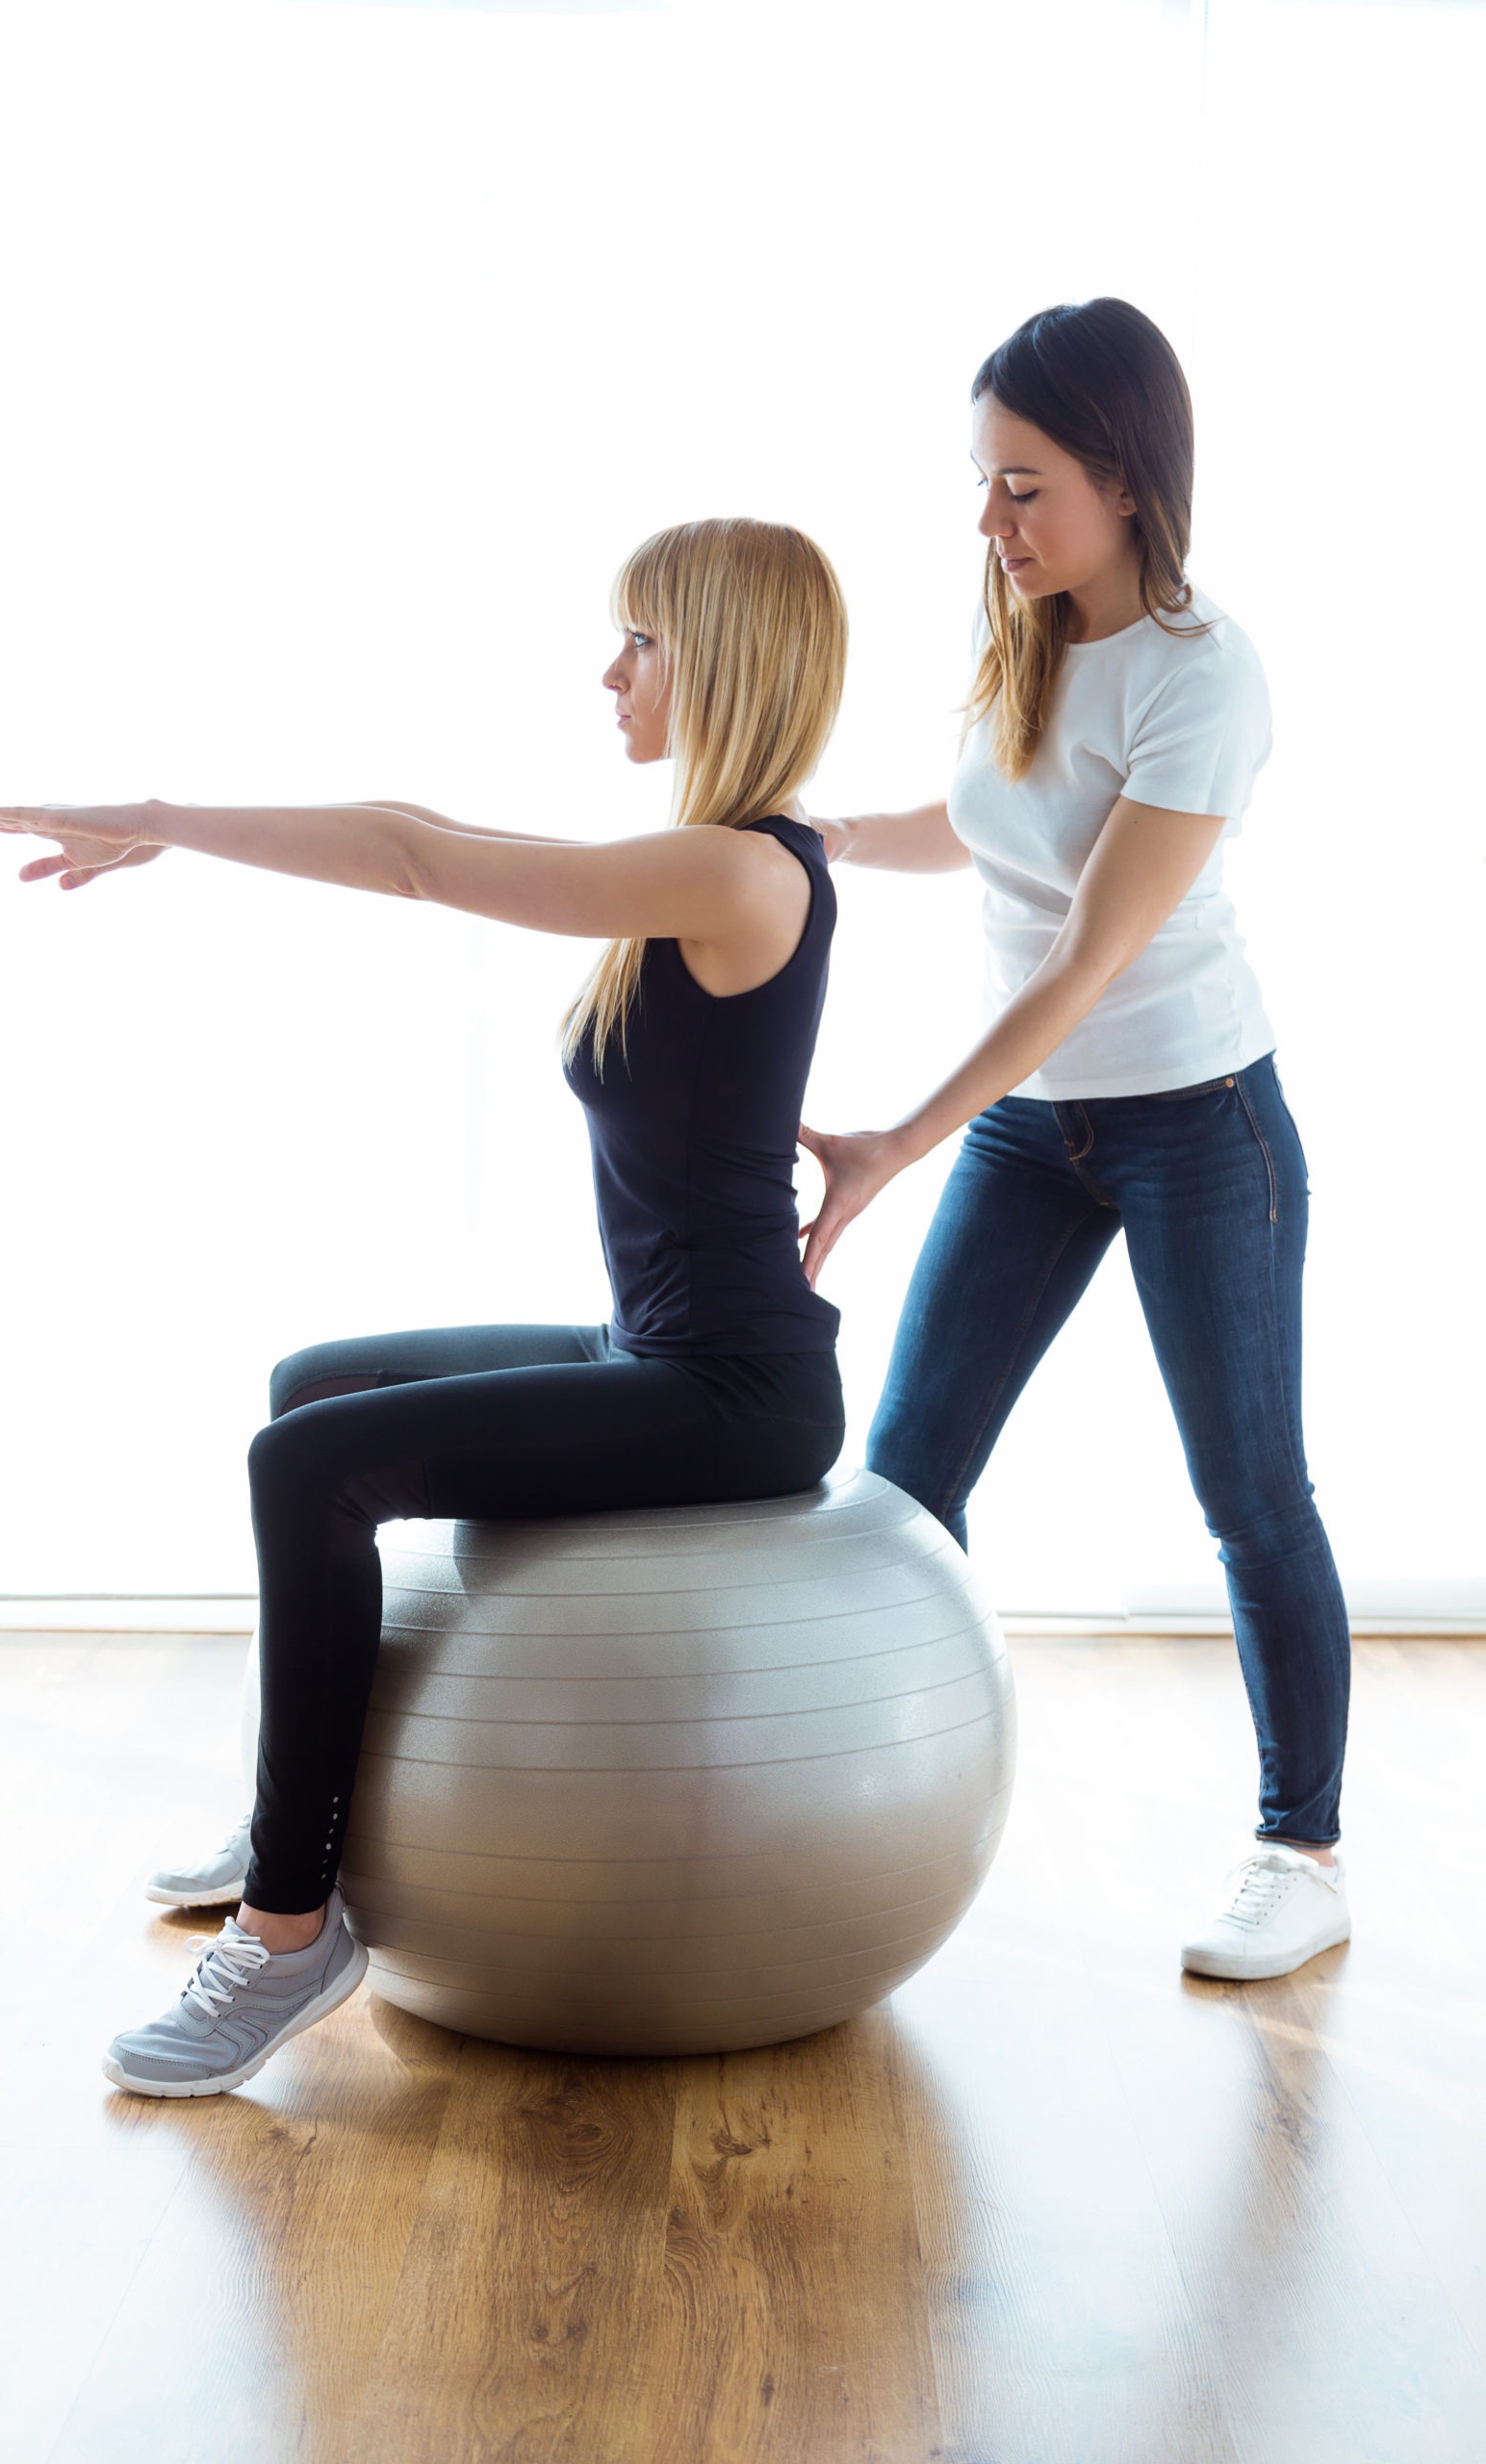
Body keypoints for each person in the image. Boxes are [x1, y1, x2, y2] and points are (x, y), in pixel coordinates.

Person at [0, 515, 849, 2094]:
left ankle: (293, 1933)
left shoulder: (735, 865)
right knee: (313, 1388)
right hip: (662, 1344)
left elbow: (420, 853)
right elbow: (417, 825)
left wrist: (161, 819)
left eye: (638, 640)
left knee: (307, 1470)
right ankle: (298, 1801)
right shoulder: (724, 862)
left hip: (731, 1391)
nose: (608, 672)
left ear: (721, 656)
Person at [797, 299, 1351, 1986]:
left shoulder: (1203, 673)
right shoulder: (1021, 636)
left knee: (1250, 1495)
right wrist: (800, 830)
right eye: (983, 482)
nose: (991, 523)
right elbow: (967, 832)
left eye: (1022, 486)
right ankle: (872, 1806)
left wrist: (894, 1139)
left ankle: (1300, 1849)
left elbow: (1085, 958)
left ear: (1123, 477)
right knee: (906, 1482)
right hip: (1038, 1131)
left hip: (1198, 1121)